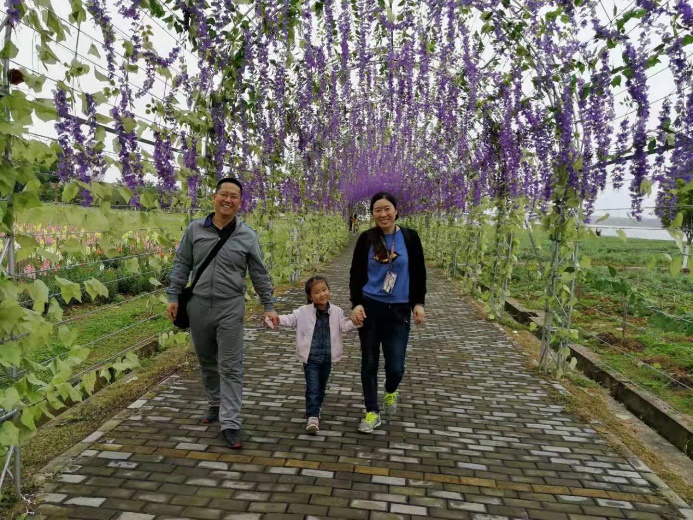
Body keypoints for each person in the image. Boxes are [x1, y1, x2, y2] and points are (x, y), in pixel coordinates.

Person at [166, 177, 280, 449]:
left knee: (230, 365)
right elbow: (182, 264)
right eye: (224, 195)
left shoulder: (247, 236)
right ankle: (215, 403)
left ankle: (230, 423)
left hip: (230, 306)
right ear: (214, 197)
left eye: (234, 196)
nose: (228, 200)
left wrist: (268, 305)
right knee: (206, 360)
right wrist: (173, 295)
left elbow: (259, 273)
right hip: (198, 306)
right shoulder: (195, 230)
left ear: (240, 203)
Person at [349, 191, 426, 433]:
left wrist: (418, 303)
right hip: (371, 308)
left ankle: (391, 390)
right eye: (377, 210)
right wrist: (356, 304)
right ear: (372, 214)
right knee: (369, 362)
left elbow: (419, 272)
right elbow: (356, 274)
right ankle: (372, 412)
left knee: (396, 367)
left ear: (395, 210)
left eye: (386, 209)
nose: (382, 214)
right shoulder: (366, 239)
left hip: (399, 311)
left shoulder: (410, 237)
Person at [269, 276, 358, 434]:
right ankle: (312, 416)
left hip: (327, 357)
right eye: (317, 292)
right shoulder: (303, 312)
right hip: (310, 358)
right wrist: (275, 319)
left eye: (324, 290)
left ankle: (317, 407)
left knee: (321, 387)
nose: (322, 294)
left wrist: (356, 321)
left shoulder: (336, 311)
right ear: (310, 296)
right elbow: (290, 319)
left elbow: (344, 326)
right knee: (312, 387)